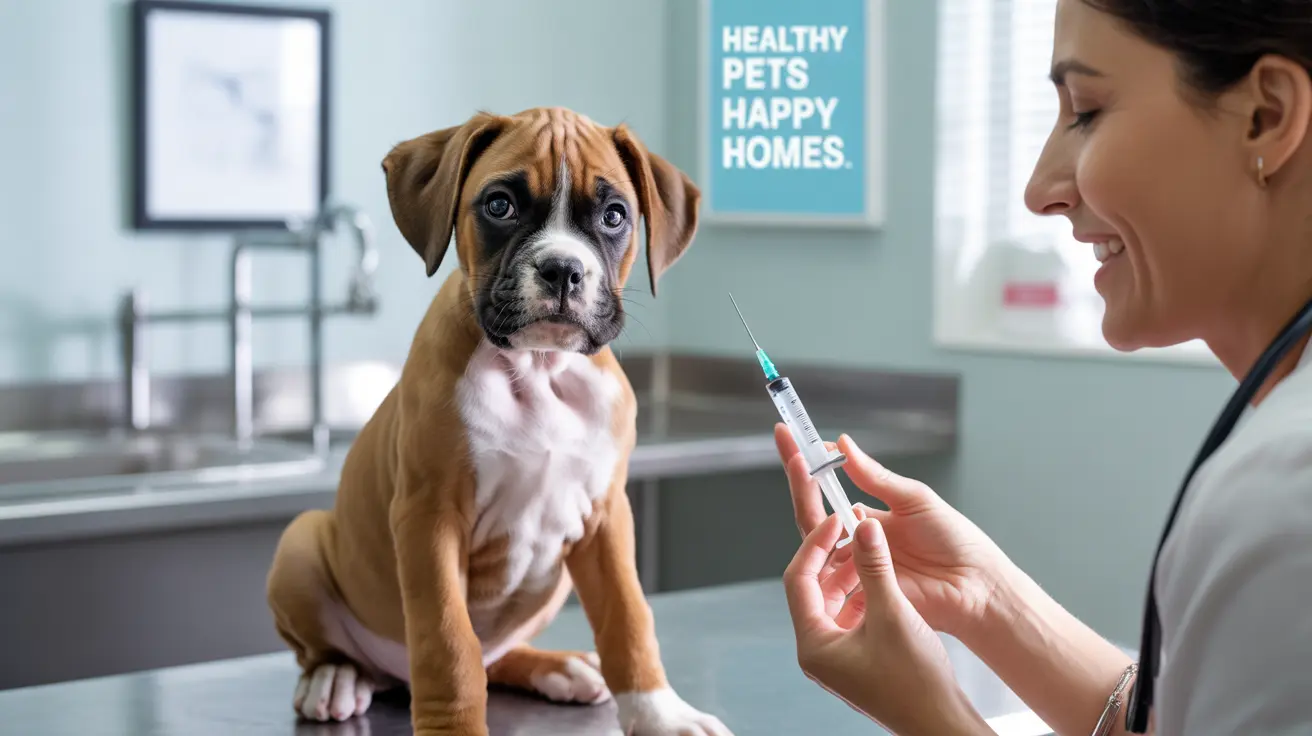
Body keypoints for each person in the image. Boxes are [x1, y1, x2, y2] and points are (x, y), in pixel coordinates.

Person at [774, 1, 1312, 734]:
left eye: (1086, 110)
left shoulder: (1288, 500)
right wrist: (986, 595)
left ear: (1267, 116)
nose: (1039, 189)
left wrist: (929, 713)